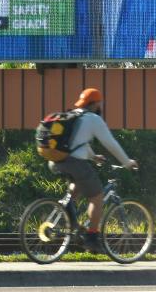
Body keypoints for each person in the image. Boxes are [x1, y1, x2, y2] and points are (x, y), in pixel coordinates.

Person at [47, 87, 138, 253]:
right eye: (99, 103)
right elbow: (111, 143)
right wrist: (127, 162)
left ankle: (68, 212)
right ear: (96, 103)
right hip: (74, 162)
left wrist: (94, 157)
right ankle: (91, 238)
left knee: (78, 185)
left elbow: (77, 143)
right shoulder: (94, 119)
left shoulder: (74, 115)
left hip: (56, 160)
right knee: (97, 196)